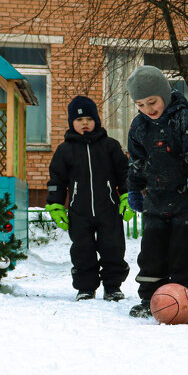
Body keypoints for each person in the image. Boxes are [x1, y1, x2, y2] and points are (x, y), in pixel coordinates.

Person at [125, 66, 188, 318]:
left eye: (152, 102)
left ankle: (182, 294)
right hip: (155, 199)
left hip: (186, 198)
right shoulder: (139, 126)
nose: (148, 109)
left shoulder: (184, 119)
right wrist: (133, 189)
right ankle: (150, 298)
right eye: (140, 104)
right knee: (151, 250)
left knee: (183, 249)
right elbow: (136, 160)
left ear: (164, 94)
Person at [45, 95, 130, 301]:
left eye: (89, 120)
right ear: (71, 123)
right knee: (82, 251)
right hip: (79, 210)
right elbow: (57, 178)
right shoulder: (65, 150)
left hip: (108, 209)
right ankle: (85, 287)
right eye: (79, 120)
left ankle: (112, 286)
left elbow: (124, 173)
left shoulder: (110, 145)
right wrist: (56, 205)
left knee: (113, 248)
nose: (85, 124)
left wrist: (128, 196)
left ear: (96, 121)